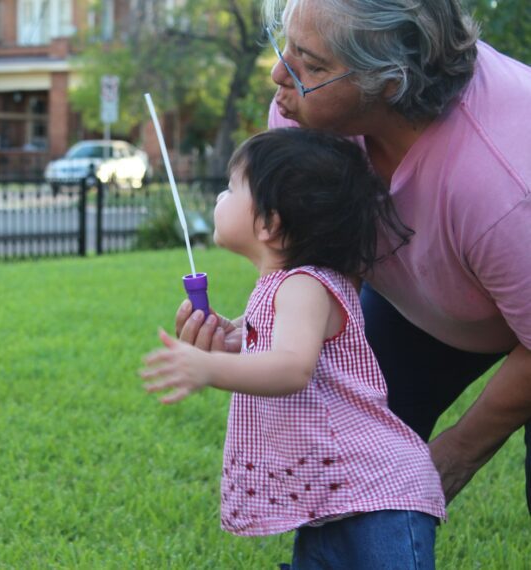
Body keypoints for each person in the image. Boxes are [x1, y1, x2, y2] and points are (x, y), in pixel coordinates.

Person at [176, 0, 531, 513]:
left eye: (311, 65)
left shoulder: (504, 184)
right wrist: (263, 331)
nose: (280, 75)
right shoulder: (302, 110)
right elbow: (320, 252)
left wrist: (454, 454)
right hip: (434, 298)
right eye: (287, 47)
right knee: (345, 447)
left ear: (389, 83)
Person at [141, 128, 445, 567]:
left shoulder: (303, 286)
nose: (220, 199)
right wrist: (232, 341)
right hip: (333, 497)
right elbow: (274, 348)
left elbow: (290, 369)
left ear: (269, 224)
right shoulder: (281, 287)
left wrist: (207, 369)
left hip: (378, 497)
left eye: (230, 189)